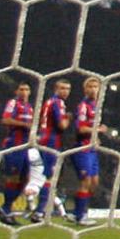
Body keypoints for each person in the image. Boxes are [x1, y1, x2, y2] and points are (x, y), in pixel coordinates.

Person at [68, 76, 107, 227]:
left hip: (92, 149)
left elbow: (90, 128)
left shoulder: (96, 106)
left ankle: (76, 212)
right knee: (86, 181)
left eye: (95, 87)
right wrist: (99, 130)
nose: (93, 89)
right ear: (85, 89)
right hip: (81, 148)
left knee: (94, 183)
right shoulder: (83, 106)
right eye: (90, 87)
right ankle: (81, 216)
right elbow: (81, 128)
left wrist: (96, 138)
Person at [31, 79, 71, 223]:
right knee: (50, 178)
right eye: (62, 88)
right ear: (56, 89)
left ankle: (40, 211)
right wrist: (68, 118)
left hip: (43, 139)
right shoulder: (58, 103)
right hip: (51, 142)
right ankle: (39, 212)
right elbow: (62, 125)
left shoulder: (48, 102)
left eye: (67, 89)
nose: (65, 91)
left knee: (48, 177)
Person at [0, 81, 34, 226]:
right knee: (13, 178)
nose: (24, 92)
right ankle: (6, 210)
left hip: (25, 147)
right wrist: (24, 125)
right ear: (16, 91)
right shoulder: (13, 103)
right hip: (14, 145)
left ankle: (5, 208)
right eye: (21, 89)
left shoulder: (30, 107)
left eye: (27, 89)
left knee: (25, 179)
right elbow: (5, 119)